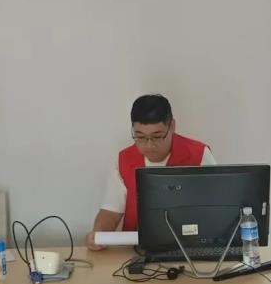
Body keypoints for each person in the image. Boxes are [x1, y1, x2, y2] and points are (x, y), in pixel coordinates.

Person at [86, 94, 216, 250]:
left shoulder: (199, 155)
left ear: (172, 126)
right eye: (140, 137)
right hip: (136, 250)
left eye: (157, 136)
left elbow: (215, 210)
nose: (149, 145)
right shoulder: (123, 160)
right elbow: (110, 213)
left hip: (190, 247)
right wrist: (99, 234)